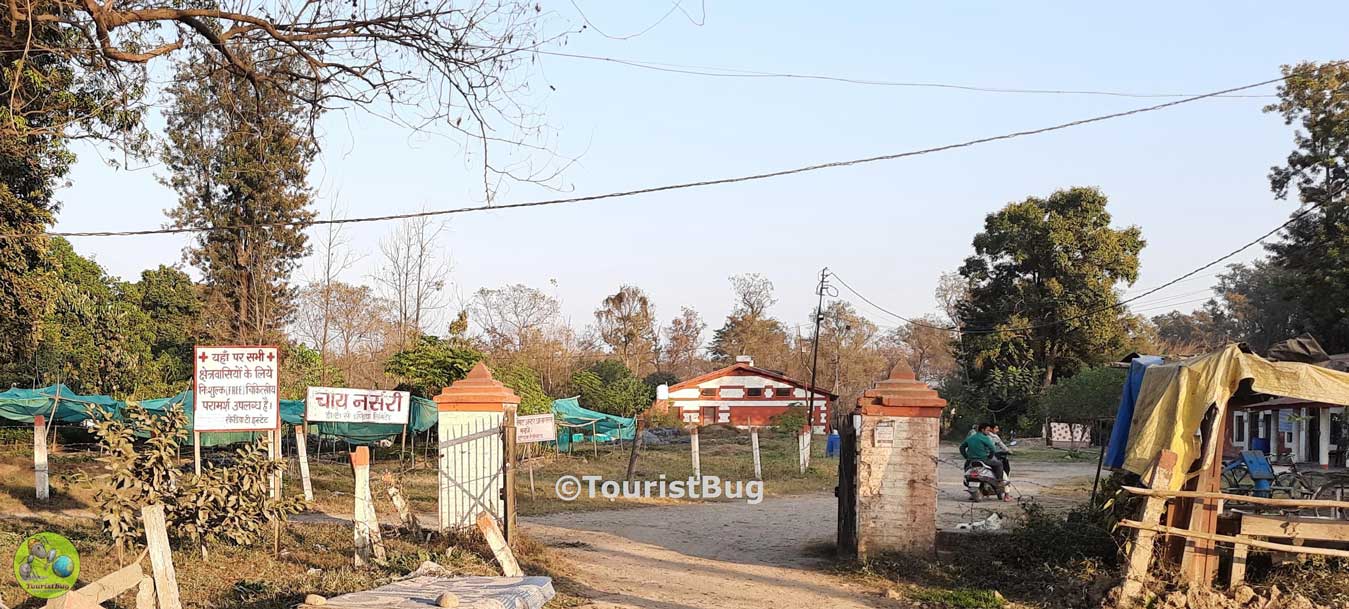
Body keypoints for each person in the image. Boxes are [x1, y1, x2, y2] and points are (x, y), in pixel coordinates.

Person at [959, 423, 1009, 501]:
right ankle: (999, 481)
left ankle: (968, 482)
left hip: (971, 460)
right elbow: (992, 448)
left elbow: (962, 447)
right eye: (987, 430)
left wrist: (966, 457)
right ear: (982, 430)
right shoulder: (985, 438)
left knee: (966, 468)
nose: (989, 432)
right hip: (984, 459)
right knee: (999, 464)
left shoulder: (970, 438)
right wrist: (990, 456)